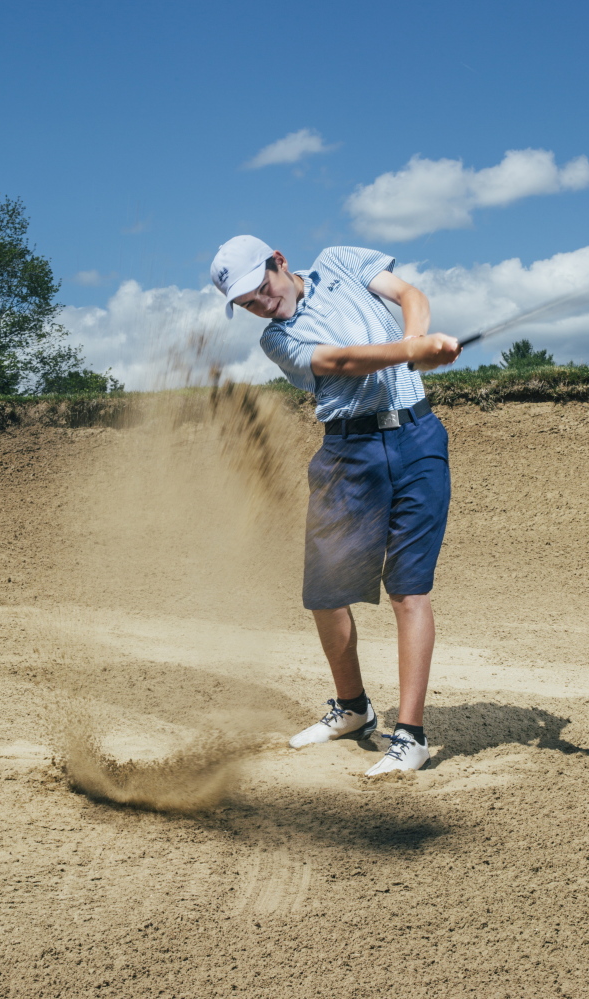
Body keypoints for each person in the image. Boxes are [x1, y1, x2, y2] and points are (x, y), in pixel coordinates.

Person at [210, 236, 460, 775]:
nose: (260, 305)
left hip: (417, 442)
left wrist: (415, 339)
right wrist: (413, 352)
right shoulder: (278, 341)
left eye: (260, 290)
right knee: (324, 590)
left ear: (278, 261)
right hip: (348, 452)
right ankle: (353, 708)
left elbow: (408, 293)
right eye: (247, 305)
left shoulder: (338, 260)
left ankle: (410, 735)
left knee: (407, 588)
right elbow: (342, 360)